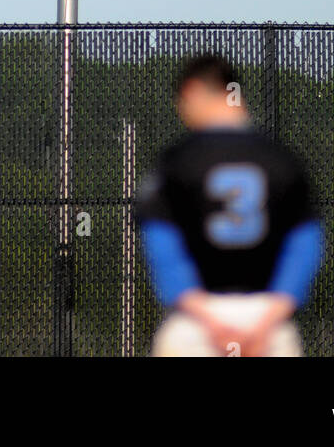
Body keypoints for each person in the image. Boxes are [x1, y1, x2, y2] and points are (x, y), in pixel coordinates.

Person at [137, 53, 323, 357]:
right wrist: (270, 319)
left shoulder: (177, 160)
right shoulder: (281, 158)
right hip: (268, 320)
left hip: (196, 323)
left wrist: (210, 322)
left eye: (181, 101)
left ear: (193, 91)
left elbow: (162, 247)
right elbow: (305, 244)